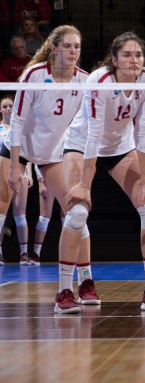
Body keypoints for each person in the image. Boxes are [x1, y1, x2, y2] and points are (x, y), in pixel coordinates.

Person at [61, 31, 145, 313]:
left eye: (138, 54)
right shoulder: (99, 80)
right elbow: (94, 133)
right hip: (81, 143)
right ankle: (65, 291)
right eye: (127, 55)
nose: (134, 60)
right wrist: (85, 185)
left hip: (121, 146)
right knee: (77, 211)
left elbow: (144, 131)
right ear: (114, 59)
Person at [4, 25, 101, 313]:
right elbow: (18, 121)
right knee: (1, 204)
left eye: (77, 47)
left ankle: (84, 281)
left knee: (76, 213)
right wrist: (14, 167)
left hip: (52, 154)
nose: (73, 52)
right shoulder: (35, 75)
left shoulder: (84, 81)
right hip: (16, 148)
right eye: (68, 46)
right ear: (55, 47)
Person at [0, 95, 33, 266]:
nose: (8, 109)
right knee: (1, 212)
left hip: (21, 170)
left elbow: (29, 151)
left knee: (20, 214)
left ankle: (24, 253)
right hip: (3, 169)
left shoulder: (20, 127)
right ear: (0, 110)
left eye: (10, 106)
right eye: (4, 106)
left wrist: (29, 174)